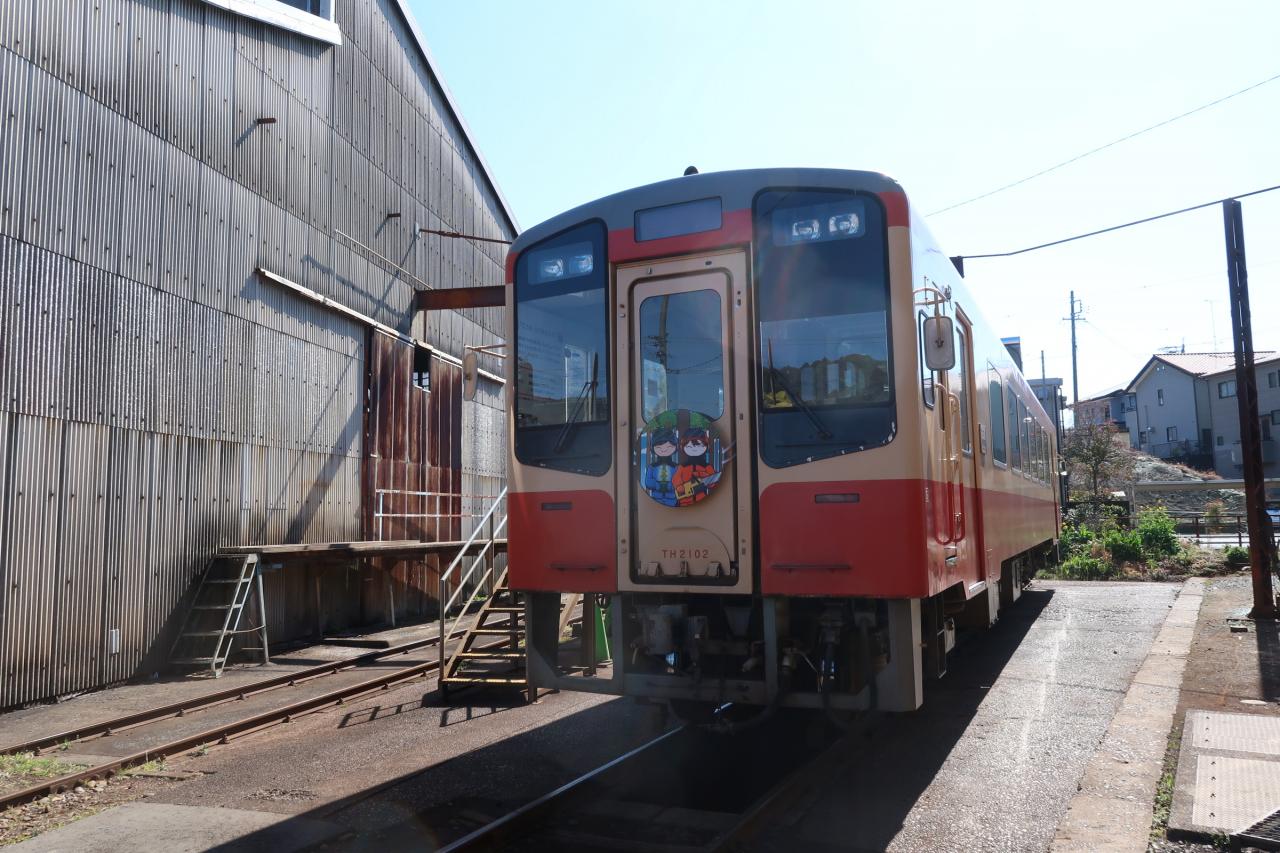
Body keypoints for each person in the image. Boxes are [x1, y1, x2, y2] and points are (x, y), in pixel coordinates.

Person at [673, 428, 719, 506]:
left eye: (699, 446)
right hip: (684, 501)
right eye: (689, 447)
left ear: (706, 446)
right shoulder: (683, 466)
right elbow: (676, 480)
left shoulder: (707, 466)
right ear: (683, 447)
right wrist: (681, 487)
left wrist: (701, 474)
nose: (694, 449)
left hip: (702, 501)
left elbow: (713, 482)